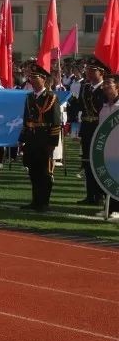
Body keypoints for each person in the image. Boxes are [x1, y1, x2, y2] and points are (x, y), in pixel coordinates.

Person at [19, 65, 61, 213]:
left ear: (43, 79)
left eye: (35, 77)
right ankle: (35, 200)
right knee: (33, 171)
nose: (32, 80)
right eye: (31, 77)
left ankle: (44, 202)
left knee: (44, 173)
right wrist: (22, 139)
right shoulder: (29, 97)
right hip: (31, 138)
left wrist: (52, 143)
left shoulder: (51, 97)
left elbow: (56, 122)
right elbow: (26, 120)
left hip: (44, 138)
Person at [77, 58, 108, 205]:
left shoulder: (105, 89)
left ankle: (101, 194)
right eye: (88, 69)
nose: (88, 72)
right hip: (87, 128)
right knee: (87, 162)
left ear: (101, 72)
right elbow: (81, 107)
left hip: (99, 128)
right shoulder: (85, 87)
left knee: (99, 162)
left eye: (92, 70)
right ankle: (90, 194)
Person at [98, 75, 119, 220]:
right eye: (104, 84)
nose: (105, 87)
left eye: (109, 84)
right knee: (108, 178)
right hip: (107, 148)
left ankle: (117, 209)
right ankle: (108, 207)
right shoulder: (104, 106)